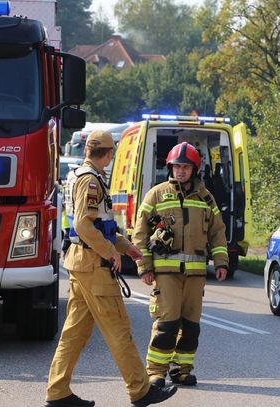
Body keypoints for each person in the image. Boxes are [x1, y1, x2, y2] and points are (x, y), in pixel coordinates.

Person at [45, 130, 177, 407]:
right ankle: (140, 390)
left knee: (74, 333)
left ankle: (57, 392)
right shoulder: (92, 181)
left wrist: (123, 245)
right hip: (93, 265)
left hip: (81, 263)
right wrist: (109, 252)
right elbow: (84, 225)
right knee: (119, 329)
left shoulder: (79, 175)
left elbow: (98, 226)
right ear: (107, 153)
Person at [132, 141, 229, 388]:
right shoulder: (156, 194)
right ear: (170, 168)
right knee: (166, 325)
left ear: (194, 169)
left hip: (195, 275)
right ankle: (156, 373)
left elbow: (217, 233)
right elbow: (140, 233)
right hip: (166, 273)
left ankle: (181, 371)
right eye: (177, 167)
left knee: (191, 327)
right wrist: (145, 267)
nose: (181, 171)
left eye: (185, 167)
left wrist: (221, 262)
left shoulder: (206, 198)